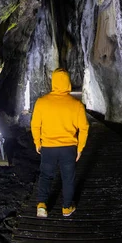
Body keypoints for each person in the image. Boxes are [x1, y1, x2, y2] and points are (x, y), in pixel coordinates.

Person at [31, 68, 89, 218]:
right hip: (69, 148)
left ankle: (42, 205)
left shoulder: (42, 102)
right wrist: (80, 148)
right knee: (68, 178)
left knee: (45, 176)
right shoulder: (76, 105)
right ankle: (67, 207)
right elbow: (84, 128)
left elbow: (35, 125)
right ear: (68, 83)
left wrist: (37, 142)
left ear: (53, 82)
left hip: (48, 147)